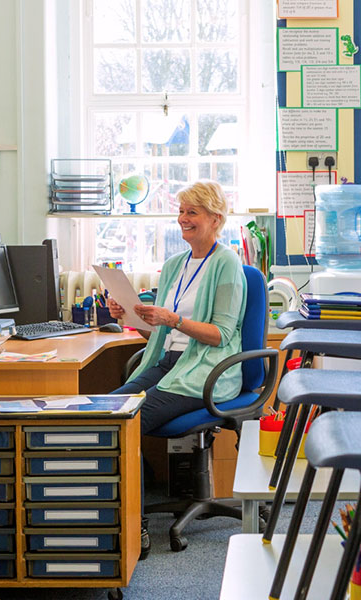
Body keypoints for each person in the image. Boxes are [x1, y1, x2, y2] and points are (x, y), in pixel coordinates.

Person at [108, 181, 247, 557]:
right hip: (167, 363)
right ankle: (107, 515)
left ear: (215, 219)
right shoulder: (174, 265)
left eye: (192, 212)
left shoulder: (227, 264)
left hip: (206, 369)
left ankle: (132, 525)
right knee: (101, 412)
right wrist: (128, 314)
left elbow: (220, 334)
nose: (183, 219)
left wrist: (172, 320)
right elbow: (157, 332)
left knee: (129, 422)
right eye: (182, 211)